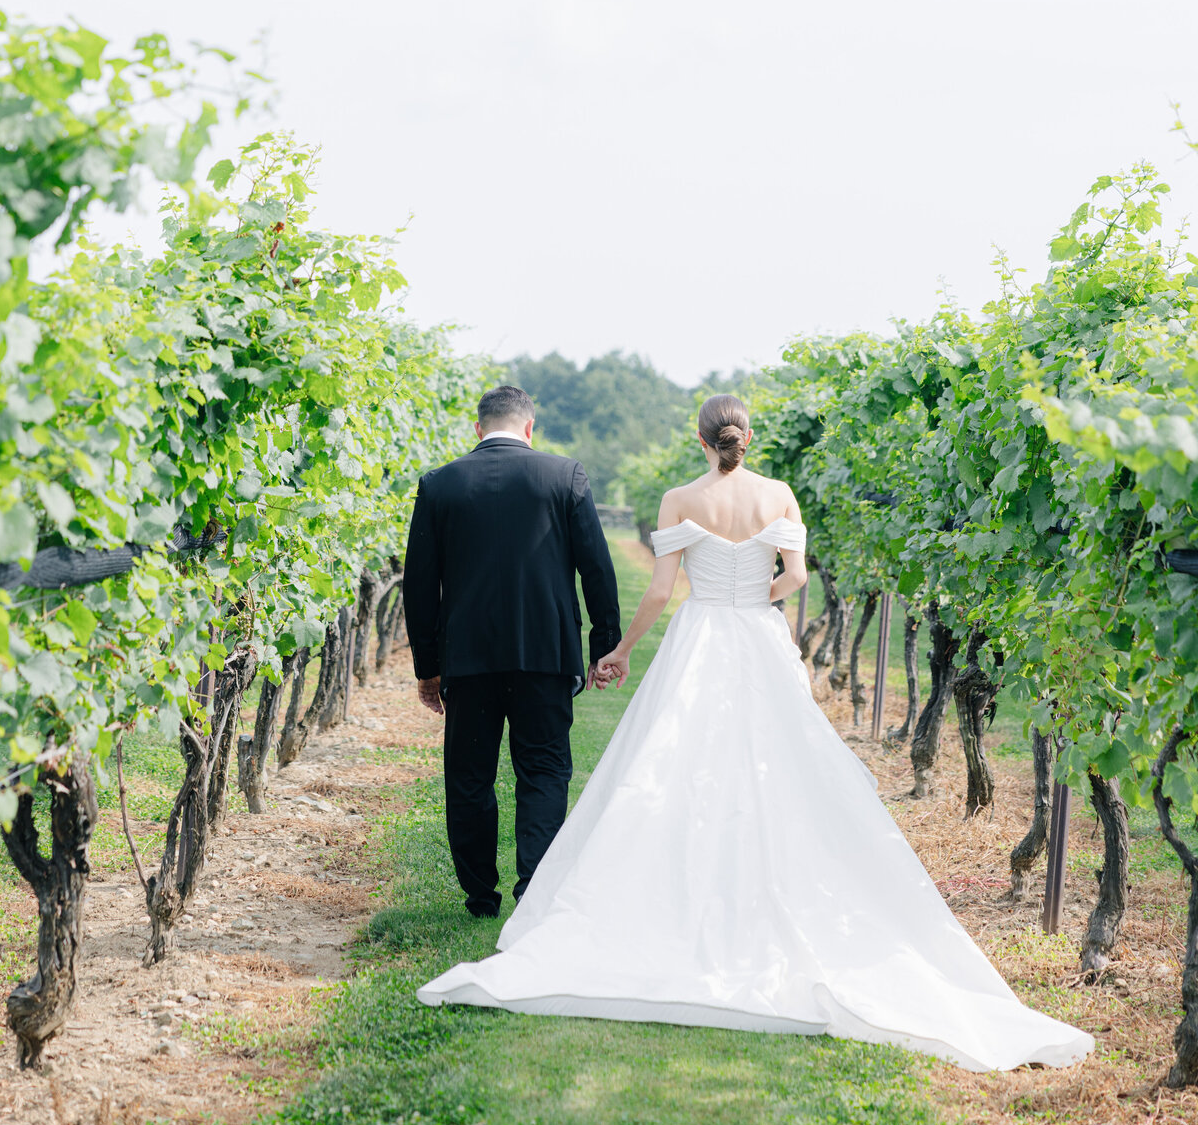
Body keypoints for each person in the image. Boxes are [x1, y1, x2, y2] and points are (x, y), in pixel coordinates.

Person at [416, 394, 1094, 1074]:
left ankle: (532, 888)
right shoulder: (779, 493)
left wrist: (621, 648)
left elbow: (657, 591)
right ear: (747, 436)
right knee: (775, 763)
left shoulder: (678, 498)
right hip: (755, 637)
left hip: (693, 633)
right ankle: (626, 876)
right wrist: (751, 601)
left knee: (663, 760)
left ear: (700, 436)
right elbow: (795, 576)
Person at [403, 384, 622, 918]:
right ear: (530, 428)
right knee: (544, 770)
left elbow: (418, 585)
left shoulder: (439, 485)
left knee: (469, 775)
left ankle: (480, 895)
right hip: (546, 654)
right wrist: (604, 645)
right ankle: (536, 892)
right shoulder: (564, 476)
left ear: (478, 429)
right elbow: (596, 567)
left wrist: (427, 670)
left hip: (468, 658)